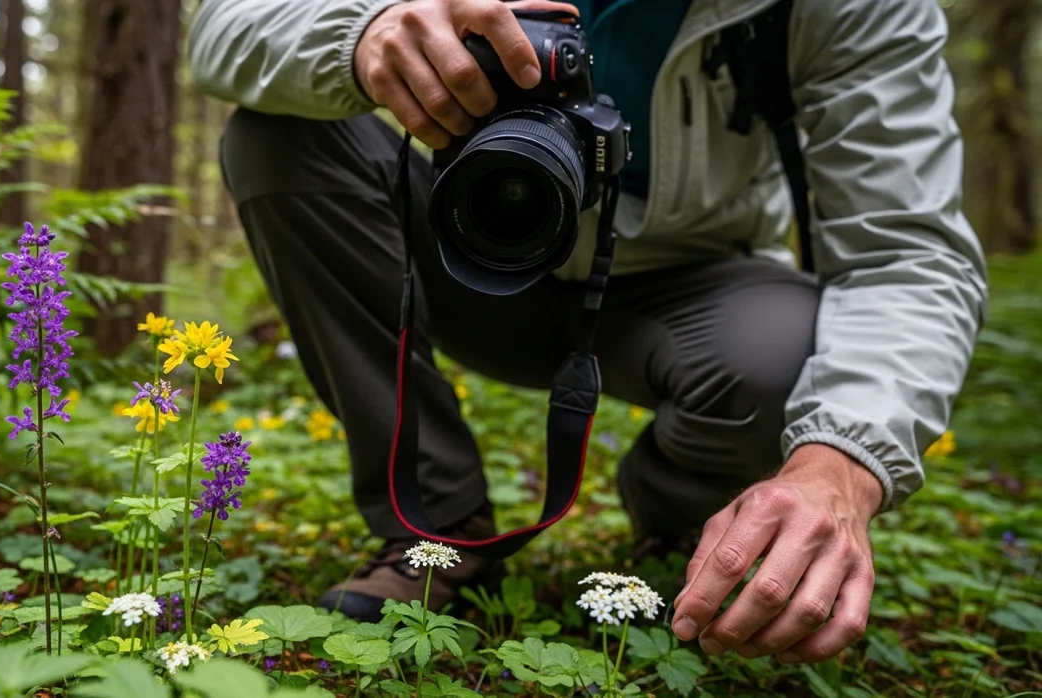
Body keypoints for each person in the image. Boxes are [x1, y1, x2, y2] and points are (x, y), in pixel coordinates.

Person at [188, 0, 988, 665]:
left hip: (683, 289)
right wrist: (357, 38)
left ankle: (685, 524)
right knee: (277, 133)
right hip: (459, 249)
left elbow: (908, 252)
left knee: (785, 358)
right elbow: (225, 26)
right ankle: (433, 522)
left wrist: (840, 467)